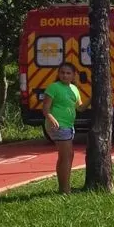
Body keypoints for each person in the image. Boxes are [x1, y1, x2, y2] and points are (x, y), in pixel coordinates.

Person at [43, 62, 89, 194]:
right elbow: (45, 109)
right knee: (66, 156)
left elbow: (80, 107)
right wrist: (52, 119)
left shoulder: (74, 89)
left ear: (74, 75)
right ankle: (65, 189)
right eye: (62, 72)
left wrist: (92, 98)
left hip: (69, 126)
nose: (65, 75)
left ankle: (64, 187)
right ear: (58, 74)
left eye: (68, 73)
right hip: (58, 126)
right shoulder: (53, 87)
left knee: (67, 156)